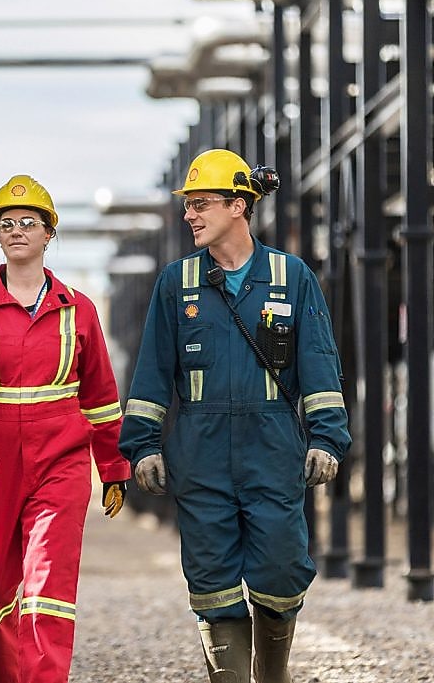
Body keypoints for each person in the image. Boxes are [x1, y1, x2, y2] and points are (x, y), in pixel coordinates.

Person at [118, 149, 351, 683]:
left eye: (200, 204)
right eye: (188, 205)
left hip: (272, 446)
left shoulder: (291, 276)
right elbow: (152, 372)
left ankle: (273, 674)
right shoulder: (177, 283)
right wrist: (144, 445)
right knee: (212, 581)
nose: (189, 215)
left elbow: (319, 364)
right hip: (200, 451)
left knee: (282, 570)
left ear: (238, 205)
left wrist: (326, 440)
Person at [0, 174, 132, 683]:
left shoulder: (79, 309)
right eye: (7, 224)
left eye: (29, 222)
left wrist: (113, 467)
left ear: (48, 233)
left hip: (60, 460)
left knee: (48, 587)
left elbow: (101, 398)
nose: (17, 230)